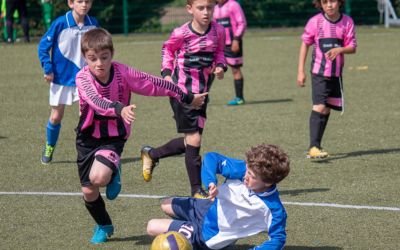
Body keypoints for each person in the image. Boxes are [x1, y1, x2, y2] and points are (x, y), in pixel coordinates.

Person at [75, 28, 206, 244]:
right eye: (92, 59)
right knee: (89, 190)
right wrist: (120, 108)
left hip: (113, 136)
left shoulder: (122, 72)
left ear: (112, 54)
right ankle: (104, 224)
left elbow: (154, 82)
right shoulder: (82, 78)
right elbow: (95, 101)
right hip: (87, 138)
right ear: (85, 58)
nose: (99, 63)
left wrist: (187, 96)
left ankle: (112, 167)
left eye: (104, 57)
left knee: (98, 177)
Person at [140, 0, 226, 198]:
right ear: (190, 9)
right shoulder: (181, 33)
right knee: (195, 139)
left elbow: (220, 52)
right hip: (182, 91)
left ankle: (151, 154)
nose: (206, 12)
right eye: (201, 8)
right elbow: (167, 50)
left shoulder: (219, 31)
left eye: (210, 8)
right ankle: (196, 190)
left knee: (191, 143)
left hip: (203, 92)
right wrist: (167, 75)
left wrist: (220, 66)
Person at [147, 143, 290, 250]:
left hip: (209, 233)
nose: (245, 176)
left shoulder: (274, 210)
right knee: (165, 204)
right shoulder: (246, 170)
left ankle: (200, 240)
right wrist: (211, 183)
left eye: (251, 176)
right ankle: (192, 230)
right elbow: (212, 158)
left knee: (151, 226)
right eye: (247, 171)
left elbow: (278, 239)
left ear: (268, 182)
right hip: (208, 207)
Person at [38, 0, 99, 165]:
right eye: (80, 1)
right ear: (71, 3)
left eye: (87, 1)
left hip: (85, 80)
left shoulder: (94, 23)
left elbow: (99, 49)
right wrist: (48, 69)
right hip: (61, 79)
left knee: (86, 116)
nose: (84, 5)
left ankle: (87, 152)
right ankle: (49, 146)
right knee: (56, 116)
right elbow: (43, 47)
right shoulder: (60, 23)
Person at [297, 0, 356, 159]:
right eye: (325, 2)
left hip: (336, 74)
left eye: (332, 1)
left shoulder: (347, 22)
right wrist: (300, 71)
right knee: (319, 106)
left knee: (327, 108)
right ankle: (313, 147)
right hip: (319, 73)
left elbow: (353, 47)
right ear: (320, 4)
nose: (329, 5)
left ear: (340, 2)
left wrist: (341, 49)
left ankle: (316, 145)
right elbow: (305, 45)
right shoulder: (315, 22)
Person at [214, 0, 247, 105]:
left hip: (233, 43)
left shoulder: (233, 4)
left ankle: (239, 98)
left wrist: (236, 39)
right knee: (210, 68)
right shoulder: (214, 7)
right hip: (219, 44)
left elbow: (242, 23)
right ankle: (204, 95)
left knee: (235, 70)